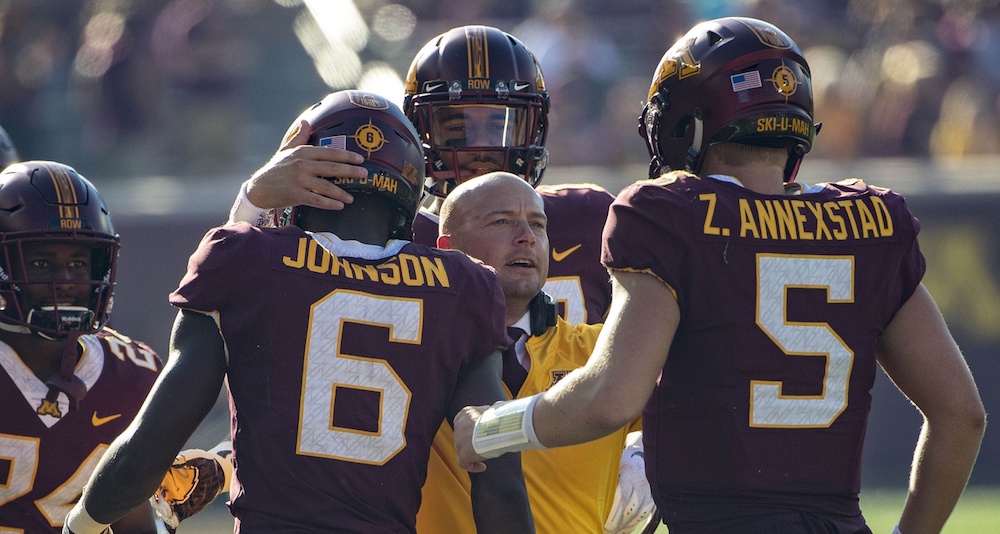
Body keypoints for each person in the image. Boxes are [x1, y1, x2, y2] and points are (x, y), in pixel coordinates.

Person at [453, 16, 987, 534]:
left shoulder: (670, 213)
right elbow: (962, 416)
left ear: (688, 122)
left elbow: (611, 400)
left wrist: (489, 430)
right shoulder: (871, 219)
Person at [224, 26, 653, 534]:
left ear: (533, 128)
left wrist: (644, 452)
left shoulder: (592, 214)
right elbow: (256, 300)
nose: (478, 149)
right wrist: (255, 199)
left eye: (500, 124)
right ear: (419, 133)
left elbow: (663, 356)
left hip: (578, 481)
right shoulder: (392, 234)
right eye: (456, 128)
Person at [62, 90, 534, 534]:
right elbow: (499, 477)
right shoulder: (463, 285)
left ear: (295, 171)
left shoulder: (246, 258)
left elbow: (151, 444)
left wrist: (79, 523)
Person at [421, 171, 647, 533]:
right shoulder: (416, 350)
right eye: (501, 221)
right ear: (447, 249)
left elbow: (702, 414)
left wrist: (644, 455)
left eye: (538, 225)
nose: (527, 237)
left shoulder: (601, 349)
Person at [0, 160, 163, 533]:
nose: (66, 282)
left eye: (78, 263)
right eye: (42, 263)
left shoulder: (130, 375)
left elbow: (132, 521)